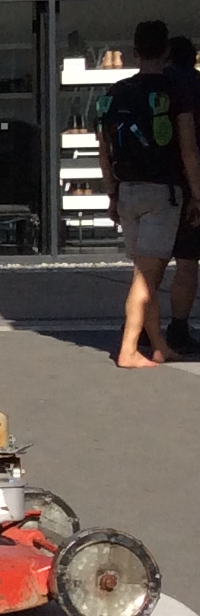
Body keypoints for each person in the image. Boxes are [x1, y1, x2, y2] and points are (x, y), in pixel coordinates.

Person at [95, 19, 200, 369]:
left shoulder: (117, 91)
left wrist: (112, 193)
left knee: (145, 272)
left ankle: (158, 346)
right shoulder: (175, 91)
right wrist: (197, 195)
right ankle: (128, 349)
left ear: (134, 51)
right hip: (162, 194)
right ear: (166, 50)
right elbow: (188, 150)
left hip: (127, 191)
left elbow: (104, 149)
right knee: (145, 277)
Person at [165, 33, 200, 354]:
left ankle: (141, 326)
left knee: (150, 262)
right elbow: (190, 148)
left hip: (151, 183)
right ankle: (178, 327)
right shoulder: (195, 86)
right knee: (188, 261)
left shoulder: (152, 86)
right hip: (189, 186)